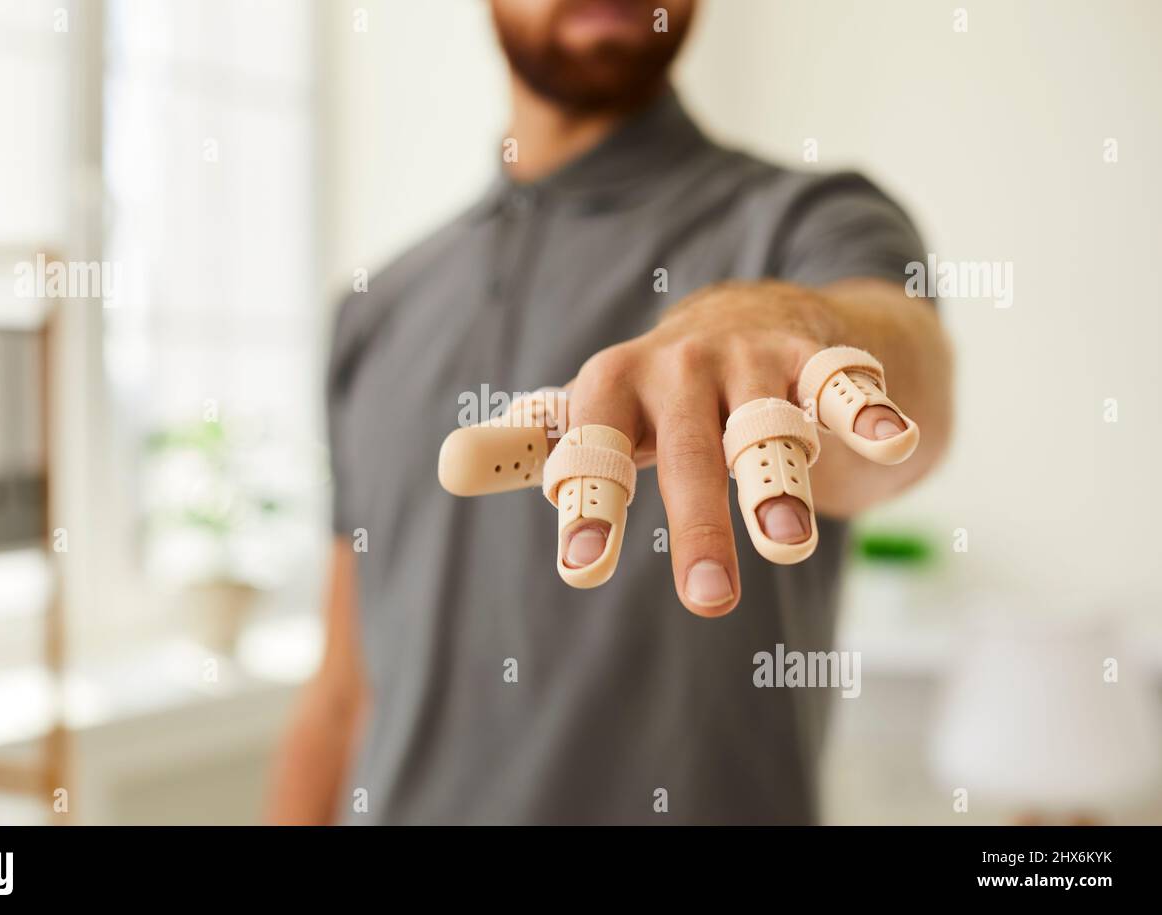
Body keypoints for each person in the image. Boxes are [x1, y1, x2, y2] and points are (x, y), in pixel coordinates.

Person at [269, 0, 952, 825]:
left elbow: (905, 392)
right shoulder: (377, 307)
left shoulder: (812, 222)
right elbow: (342, 687)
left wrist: (772, 327)